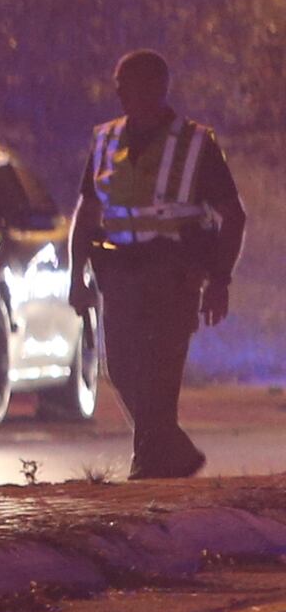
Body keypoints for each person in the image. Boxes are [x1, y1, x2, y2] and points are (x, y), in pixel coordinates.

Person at [71, 50, 248, 479]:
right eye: (118, 84)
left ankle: (149, 465)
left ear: (156, 86)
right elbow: (87, 212)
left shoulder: (195, 143)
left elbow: (233, 216)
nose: (118, 92)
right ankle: (172, 452)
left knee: (160, 373)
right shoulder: (106, 139)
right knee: (122, 369)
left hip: (175, 273)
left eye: (126, 83)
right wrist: (76, 276)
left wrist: (219, 280)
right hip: (118, 274)